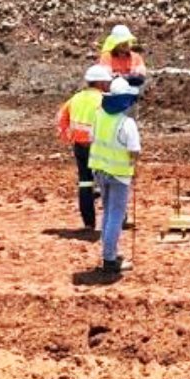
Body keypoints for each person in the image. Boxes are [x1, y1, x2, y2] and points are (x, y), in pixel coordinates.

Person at [89, 77, 142, 274]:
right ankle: (109, 259)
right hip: (119, 175)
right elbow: (134, 150)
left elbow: (92, 138)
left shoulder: (99, 116)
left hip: (100, 171)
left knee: (108, 213)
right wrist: (134, 167)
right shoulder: (126, 123)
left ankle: (109, 252)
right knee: (116, 216)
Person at [56, 65, 114, 231]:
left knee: (85, 182)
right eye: (107, 82)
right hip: (99, 146)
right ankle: (114, 220)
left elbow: (61, 117)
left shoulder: (75, 98)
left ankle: (88, 223)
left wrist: (69, 136)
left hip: (80, 146)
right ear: (101, 82)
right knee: (108, 183)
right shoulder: (103, 99)